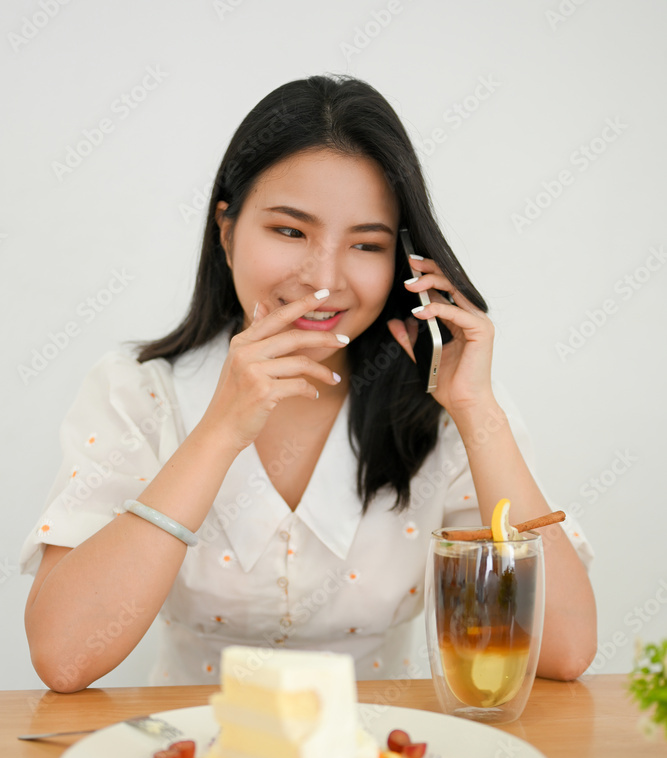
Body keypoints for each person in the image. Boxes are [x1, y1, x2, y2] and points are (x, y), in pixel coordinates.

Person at [20, 74, 596, 692]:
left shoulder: (447, 398)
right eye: (290, 231)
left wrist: (477, 412)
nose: (324, 279)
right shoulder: (137, 392)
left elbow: (565, 652)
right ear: (226, 230)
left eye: (366, 245)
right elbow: (65, 657)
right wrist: (218, 432)